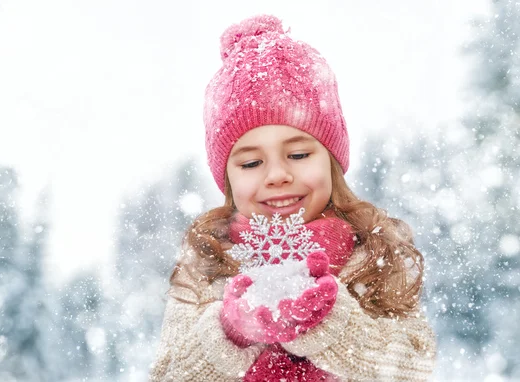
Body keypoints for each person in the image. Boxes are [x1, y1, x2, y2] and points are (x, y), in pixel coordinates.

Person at [150, 14, 436, 381]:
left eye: (298, 155)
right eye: (252, 162)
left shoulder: (370, 252)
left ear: (330, 161)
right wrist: (231, 336)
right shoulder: (209, 263)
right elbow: (168, 374)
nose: (277, 175)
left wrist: (329, 324)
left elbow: (412, 368)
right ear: (228, 180)